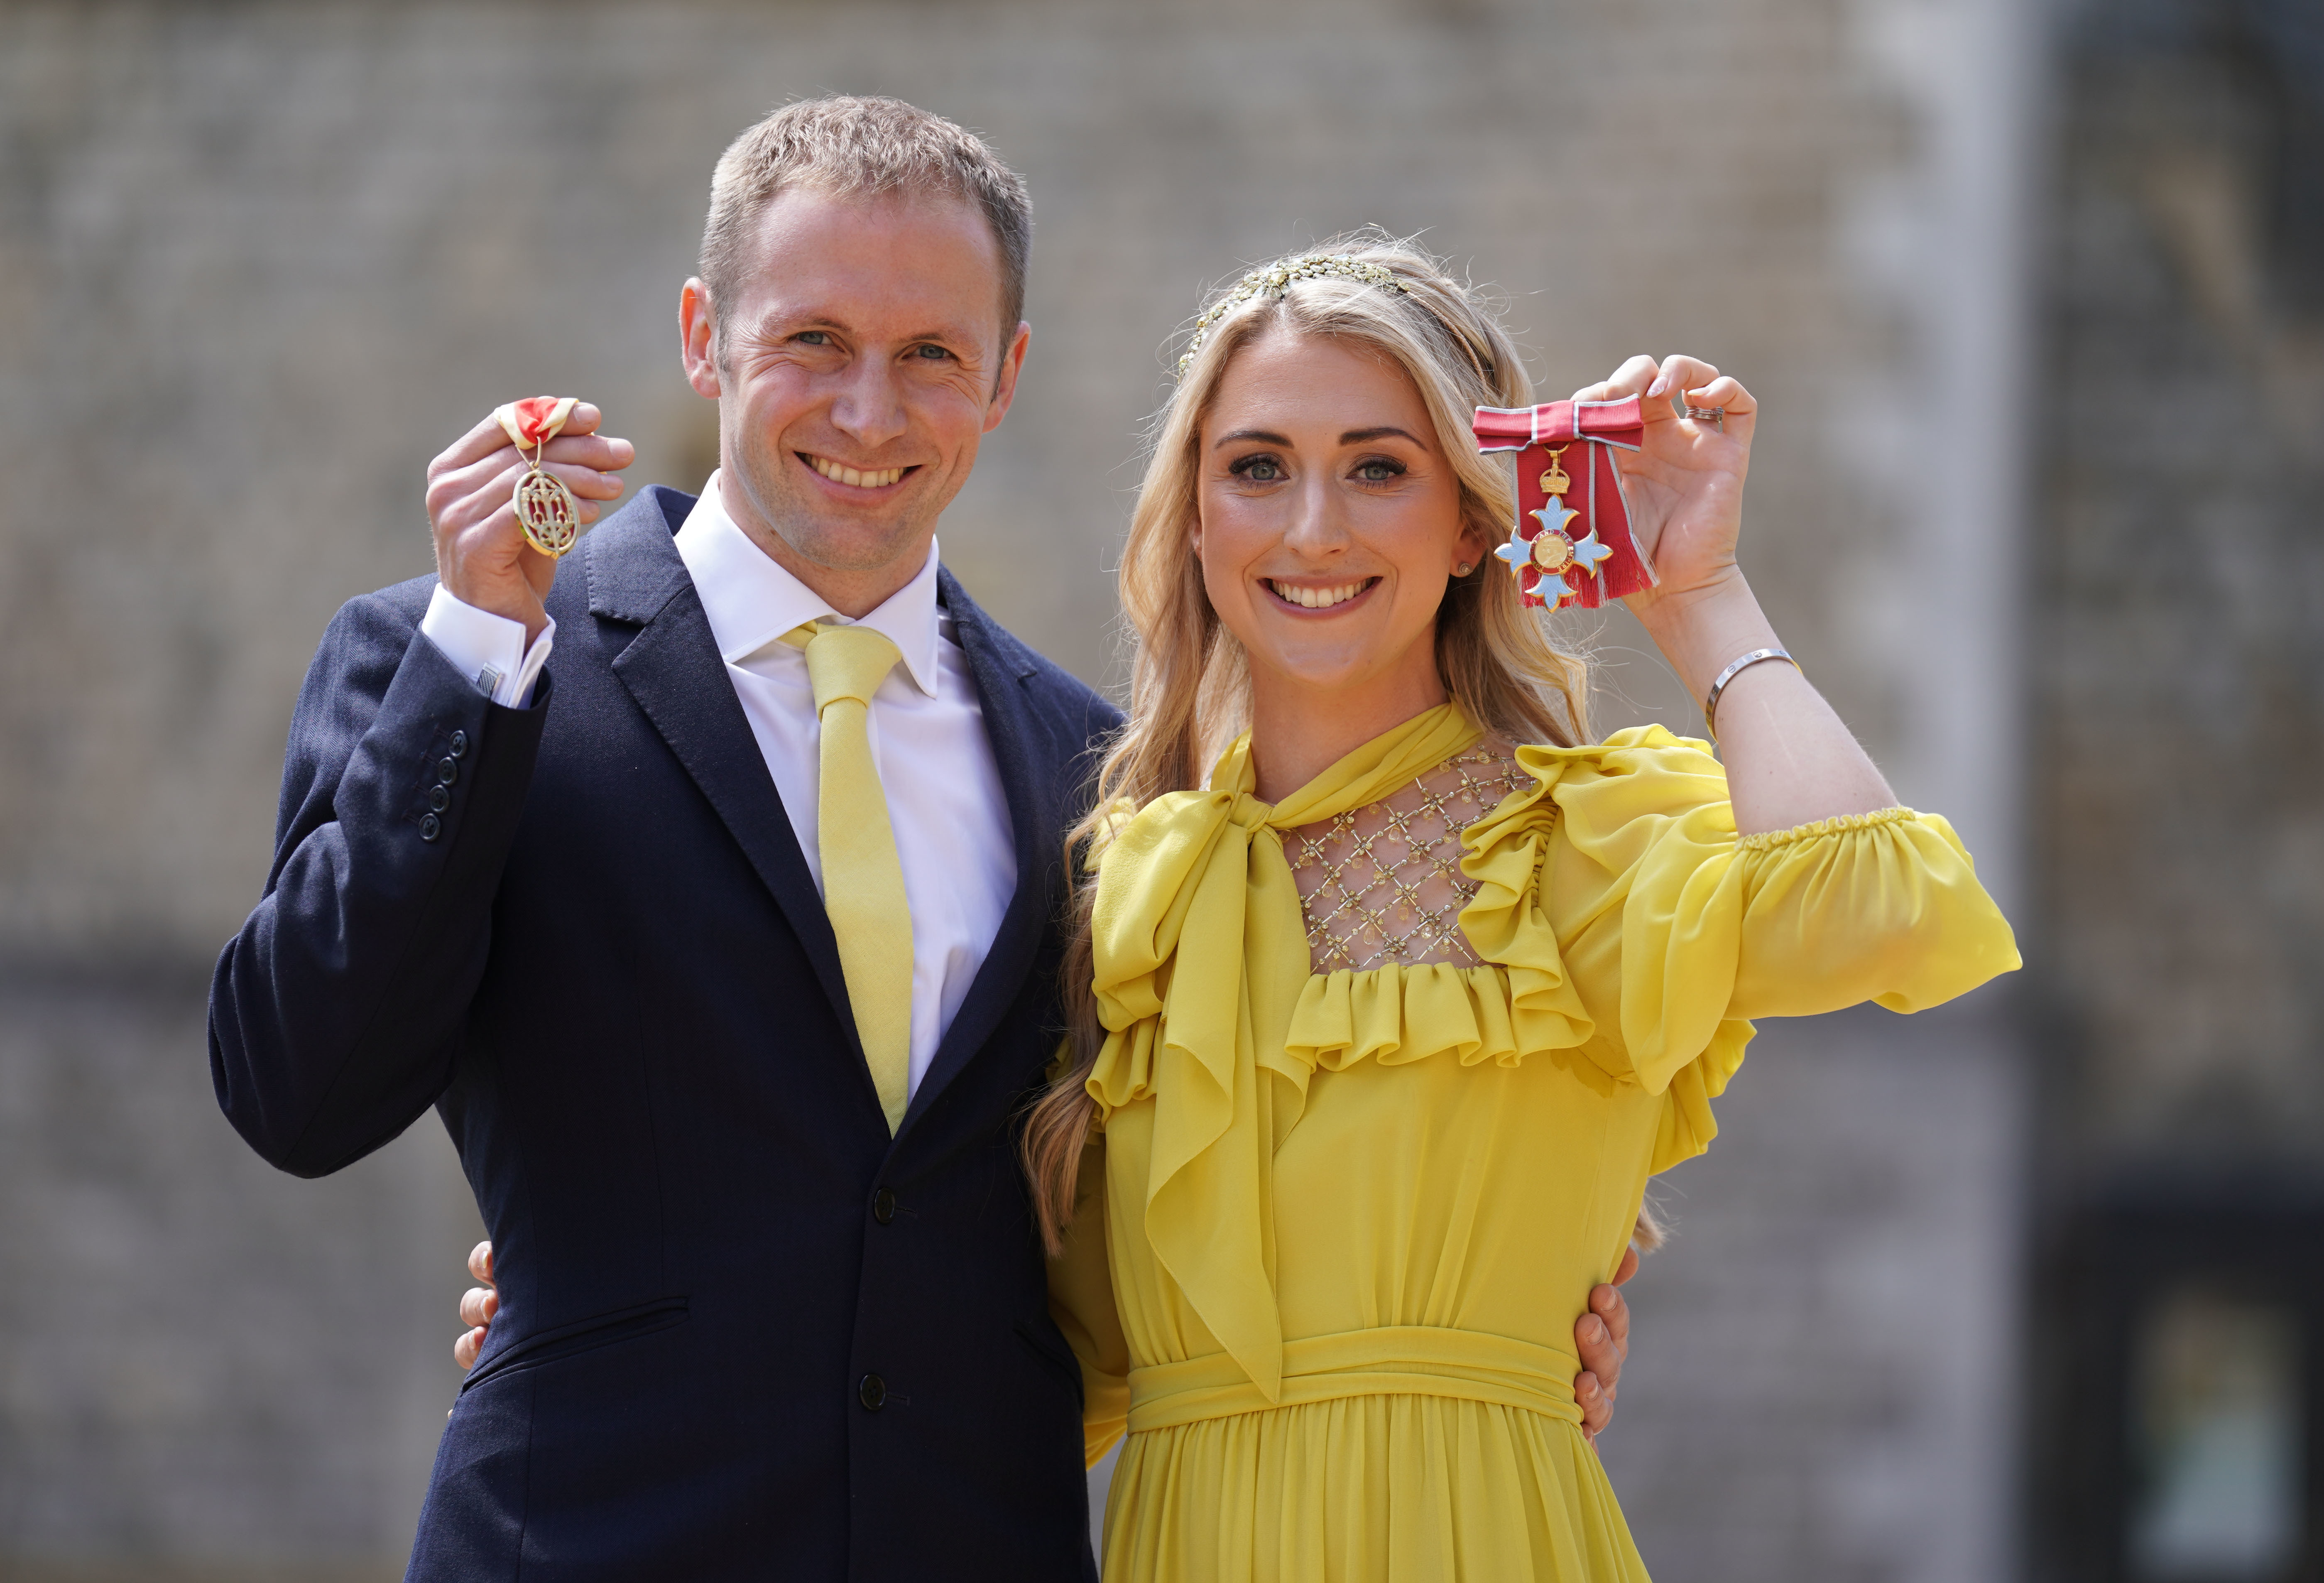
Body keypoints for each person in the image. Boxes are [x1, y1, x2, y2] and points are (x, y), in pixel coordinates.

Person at [208, 98, 1637, 1581]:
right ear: (705, 335)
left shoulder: (1106, 778)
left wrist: (1541, 1309)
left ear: (1007, 375)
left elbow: (1215, 1171)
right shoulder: (463, 661)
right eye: (813, 341)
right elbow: (298, 1093)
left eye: (930, 357)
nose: (870, 414)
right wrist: (475, 655)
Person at [1012, 238, 2022, 1579]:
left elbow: (1891, 909)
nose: (1314, 525)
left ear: (1476, 518)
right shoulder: (1124, 893)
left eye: (1380, 466)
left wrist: (1697, 593)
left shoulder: (1578, 842)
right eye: (1257, 467)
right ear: (1196, 519)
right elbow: (1036, 1372)